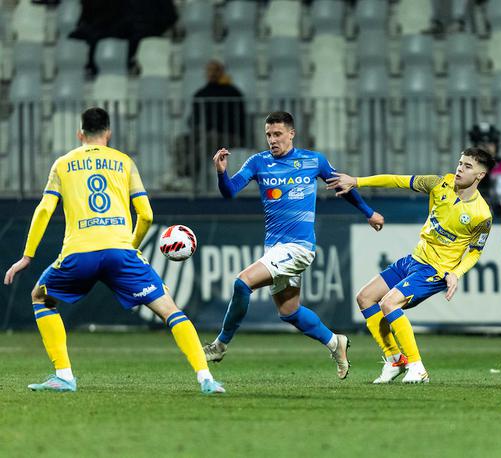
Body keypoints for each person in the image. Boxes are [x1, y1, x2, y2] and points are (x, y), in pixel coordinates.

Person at [2, 107, 224, 394]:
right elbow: (146, 215)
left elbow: (44, 209)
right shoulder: (124, 162)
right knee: (170, 310)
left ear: (79, 133)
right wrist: (131, 249)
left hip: (79, 253)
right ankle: (206, 378)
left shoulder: (63, 164)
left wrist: (27, 256)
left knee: (40, 298)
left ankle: (65, 376)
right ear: (108, 133)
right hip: (121, 253)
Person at [202, 111, 384, 379]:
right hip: (275, 249)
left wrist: (369, 212)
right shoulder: (258, 162)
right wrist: (221, 173)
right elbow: (230, 191)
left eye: (277, 134)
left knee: (243, 283)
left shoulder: (313, 161)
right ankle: (336, 343)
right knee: (290, 312)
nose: (272, 140)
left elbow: (343, 187)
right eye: (268, 135)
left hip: (299, 248)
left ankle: (219, 346)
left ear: (291, 133)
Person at [326, 147, 495, 384]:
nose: (460, 169)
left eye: (468, 166)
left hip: (435, 270)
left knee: (389, 302)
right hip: (414, 259)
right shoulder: (438, 184)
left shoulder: (482, 215)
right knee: (365, 297)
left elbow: (475, 252)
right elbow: (398, 180)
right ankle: (394, 359)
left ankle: (417, 367)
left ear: (480, 175)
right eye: (460, 163)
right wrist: (357, 181)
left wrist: (455, 273)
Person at [181, 60, 247, 179]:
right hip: (205, 134)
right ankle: (179, 175)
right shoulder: (201, 93)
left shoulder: (232, 93)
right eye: (210, 70)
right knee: (180, 141)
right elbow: (192, 120)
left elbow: (236, 121)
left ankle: (186, 171)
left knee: (208, 139)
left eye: (215, 70)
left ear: (221, 72)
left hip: (230, 136)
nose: (212, 73)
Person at [468, 123, 501, 211]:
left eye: (490, 143)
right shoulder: (466, 172)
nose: (486, 147)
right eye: (481, 144)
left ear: (496, 146)